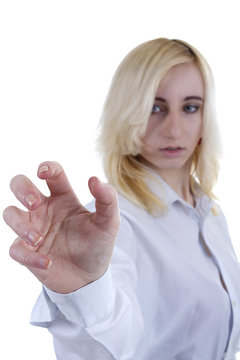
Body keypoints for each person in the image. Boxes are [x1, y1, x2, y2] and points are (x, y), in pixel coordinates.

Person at [3, 38, 240, 360]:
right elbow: (111, 345)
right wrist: (85, 288)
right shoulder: (111, 226)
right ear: (128, 111)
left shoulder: (209, 212)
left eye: (190, 107)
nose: (173, 129)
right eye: (155, 107)